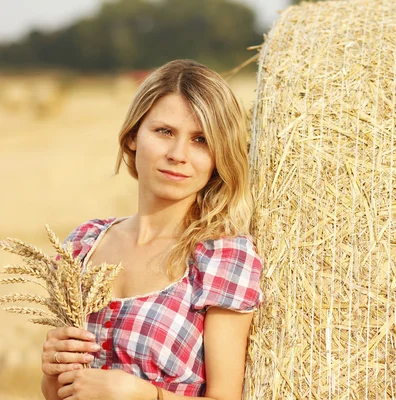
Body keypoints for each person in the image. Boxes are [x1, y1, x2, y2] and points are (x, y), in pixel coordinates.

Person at [39, 59, 264, 400]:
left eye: (200, 140)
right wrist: (53, 370)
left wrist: (146, 395)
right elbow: (59, 393)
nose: (178, 154)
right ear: (132, 136)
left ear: (219, 156)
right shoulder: (83, 244)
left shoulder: (220, 257)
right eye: (164, 132)